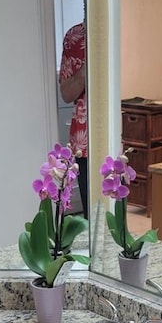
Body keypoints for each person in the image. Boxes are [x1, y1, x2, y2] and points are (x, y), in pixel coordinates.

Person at [59, 22, 87, 217]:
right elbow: (67, 94)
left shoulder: (119, 25)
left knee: (115, 206)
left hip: (116, 127)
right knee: (90, 202)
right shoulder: (75, 36)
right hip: (84, 135)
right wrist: (86, 71)